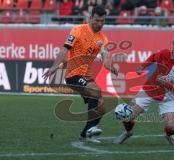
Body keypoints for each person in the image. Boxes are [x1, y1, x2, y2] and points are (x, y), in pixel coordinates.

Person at [43, 5, 118, 143]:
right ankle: (91, 129)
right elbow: (64, 49)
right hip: (73, 75)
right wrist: (55, 67)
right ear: (91, 18)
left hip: (87, 77)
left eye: (103, 21)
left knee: (101, 107)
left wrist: (110, 66)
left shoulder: (103, 38)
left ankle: (85, 134)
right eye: (97, 20)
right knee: (96, 90)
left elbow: (106, 58)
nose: (100, 24)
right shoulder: (78, 30)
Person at [113, 38, 174, 146]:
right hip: (149, 90)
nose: (172, 51)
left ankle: (168, 135)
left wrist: (164, 83)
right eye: (172, 48)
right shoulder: (165, 54)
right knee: (127, 116)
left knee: (172, 128)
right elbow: (154, 57)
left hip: (168, 98)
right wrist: (143, 66)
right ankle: (128, 132)